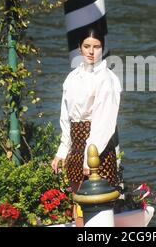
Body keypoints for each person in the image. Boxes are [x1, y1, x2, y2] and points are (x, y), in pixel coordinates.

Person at [51, 28, 122, 194]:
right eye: (87, 46)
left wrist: (90, 159)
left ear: (102, 48)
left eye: (96, 47)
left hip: (99, 152)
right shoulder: (72, 78)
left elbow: (104, 122)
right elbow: (66, 118)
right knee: (78, 203)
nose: (91, 51)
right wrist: (62, 152)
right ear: (79, 48)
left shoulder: (106, 78)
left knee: (98, 205)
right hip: (76, 148)